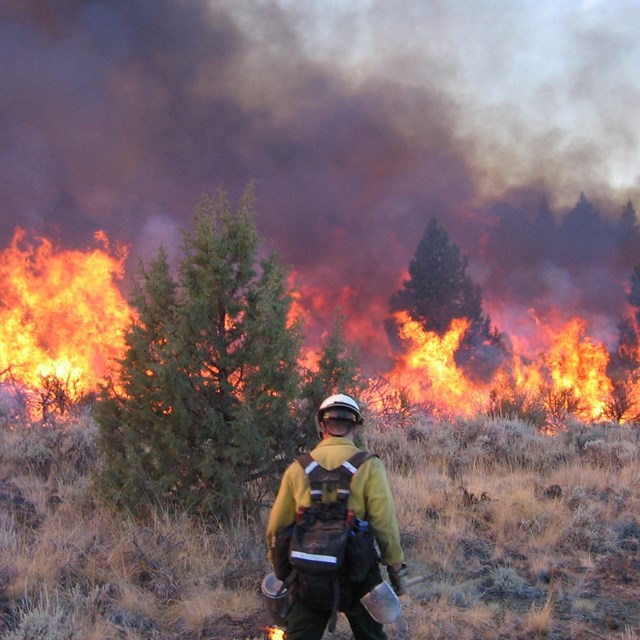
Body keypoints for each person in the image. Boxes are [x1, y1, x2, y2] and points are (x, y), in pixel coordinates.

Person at [266, 393, 407, 640]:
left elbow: (276, 529)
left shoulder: (297, 468)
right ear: (356, 426)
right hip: (359, 573)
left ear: (322, 426)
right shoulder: (369, 465)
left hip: (309, 574)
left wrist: (283, 572)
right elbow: (384, 524)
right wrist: (394, 565)